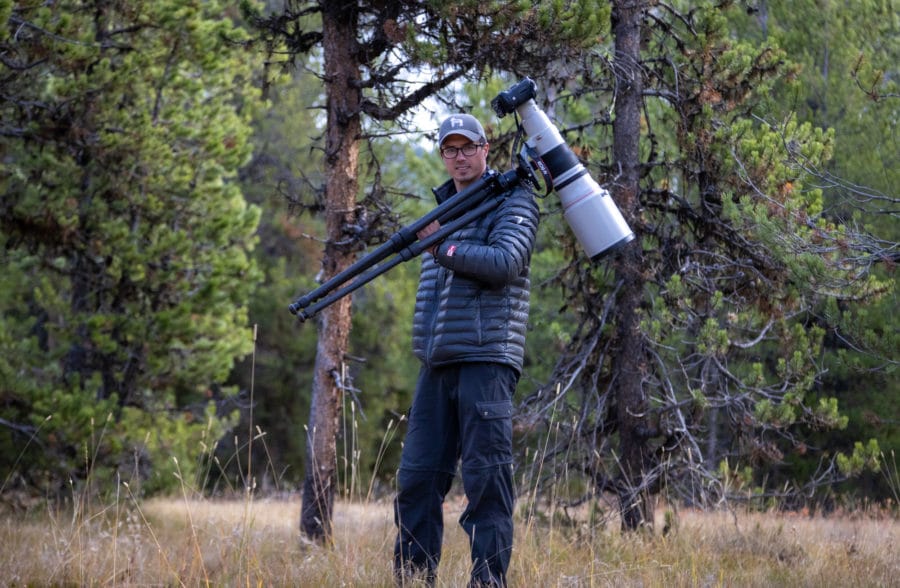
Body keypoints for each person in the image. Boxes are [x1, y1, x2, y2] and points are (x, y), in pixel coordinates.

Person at [393, 113, 540, 587]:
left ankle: (487, 582)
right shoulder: (444, 210)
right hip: (437, 363)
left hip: (486, 358)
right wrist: (442, 240)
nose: (458, 157)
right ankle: (414, 580)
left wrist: (442, 247)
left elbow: (506, 262)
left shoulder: (513, 199)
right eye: (449, 150)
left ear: (485, 147)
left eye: (467, 147)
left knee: (486, 482)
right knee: (416, 479)